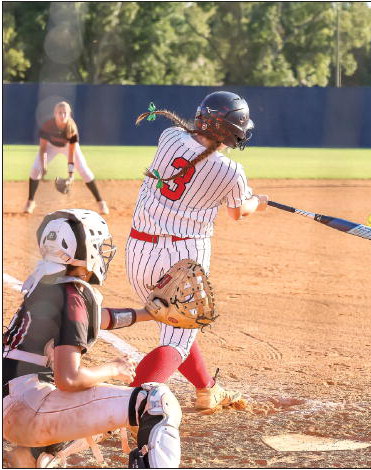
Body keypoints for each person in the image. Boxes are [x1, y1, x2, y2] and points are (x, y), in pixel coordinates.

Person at [2, 209, 181, 468]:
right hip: (27, 409)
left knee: (96, 401)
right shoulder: (72, 296)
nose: (101, 251)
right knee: (155, 401)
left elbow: (93, 319)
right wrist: (113, 368)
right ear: (81, 251)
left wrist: (148, 314)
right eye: (97, 245)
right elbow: (69, 379)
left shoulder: (47, 286)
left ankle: (35, 456)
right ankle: (37, 449)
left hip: (15, 403)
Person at [125, 91, 268, 411]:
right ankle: (122, 408)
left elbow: (191, 156)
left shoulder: (170, 136)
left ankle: (207, 389)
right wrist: (258, 202)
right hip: (181, 263)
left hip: (137, 254)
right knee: (176, 342)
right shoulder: (231, 172)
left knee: (179, 329)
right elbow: (238, 212)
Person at [24, 101, 109, 215]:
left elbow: (71, 153)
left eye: (65, 113)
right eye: (60, 113)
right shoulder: (47, 126)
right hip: (50, 147)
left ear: (69, 114)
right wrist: (44, 166)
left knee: (85, 171)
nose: (62, 115)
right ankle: (30, 201)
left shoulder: (72, 128)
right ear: (55, 113)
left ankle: (101, 202)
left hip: (67, 147)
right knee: (35, 169)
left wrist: (71, 175)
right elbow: (43, 149)